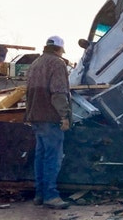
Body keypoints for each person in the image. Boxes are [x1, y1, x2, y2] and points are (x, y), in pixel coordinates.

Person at [24, 35, 72, 209]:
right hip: (50, 117)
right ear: (59, 49)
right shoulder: (57, 63)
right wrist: (64, 116)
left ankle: (40, 194)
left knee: (41, 157)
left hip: (35, 116)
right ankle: (51, 196)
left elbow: (28, 92)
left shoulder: (35, 64)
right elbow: (58, 92)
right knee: (53, 157)